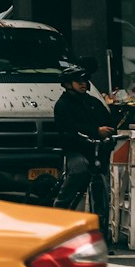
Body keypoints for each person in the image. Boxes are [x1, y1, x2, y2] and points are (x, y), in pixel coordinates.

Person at [52, 64, 115, 213]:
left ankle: (102, 216)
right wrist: (96, 131)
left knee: (104, 177)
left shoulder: (94, 102)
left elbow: (109, 122)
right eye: (78, 81)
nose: (83, 84)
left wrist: (110, 133)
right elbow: (68, 128)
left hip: (98, 149)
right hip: (75, 149)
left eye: (85, 80)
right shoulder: (62, 105)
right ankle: (60, 207)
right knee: (79, 170)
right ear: (68, 84)